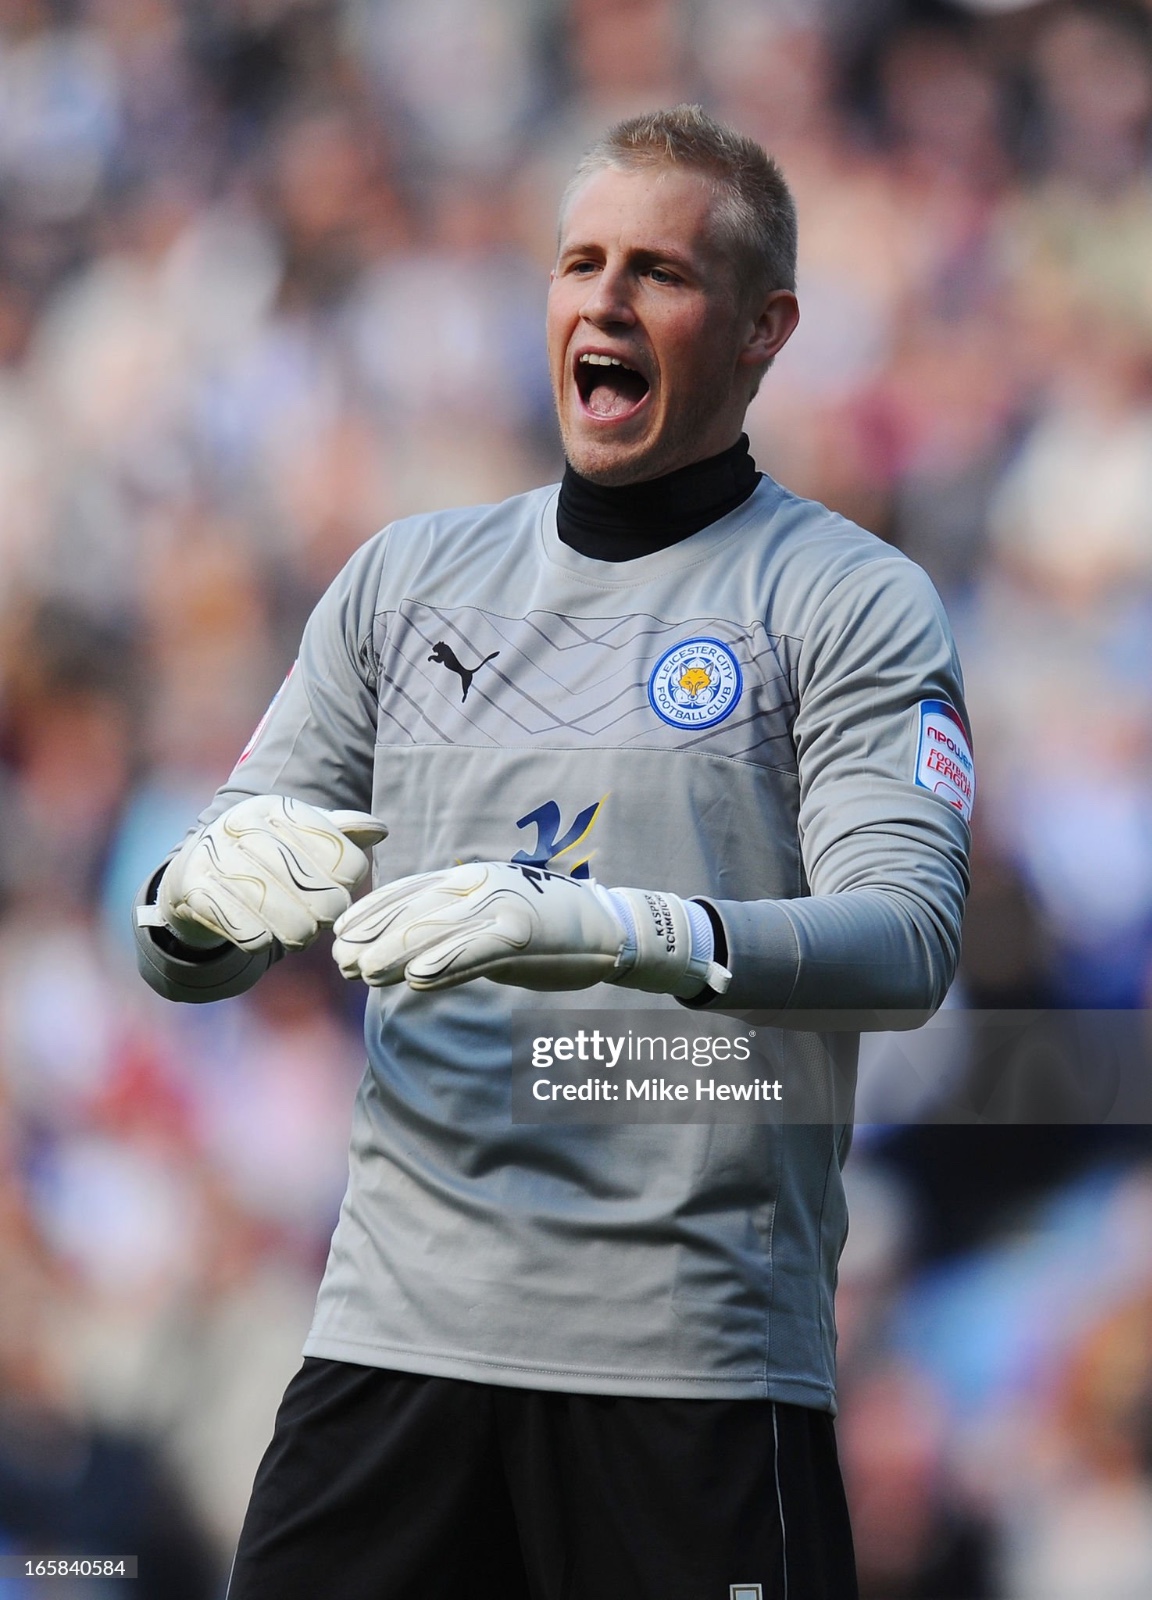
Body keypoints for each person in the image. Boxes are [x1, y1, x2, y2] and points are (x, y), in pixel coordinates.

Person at [134, 106, 972, 1600]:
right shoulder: (403, 583)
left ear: (765, 328)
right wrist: (192, 909)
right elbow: (204, 937)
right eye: (581, 263)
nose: (606, 301)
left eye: (661, 272)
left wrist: (621, 933)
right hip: (390, 1343)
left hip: (689, 1360)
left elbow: (906, 942)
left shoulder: (849, 602)